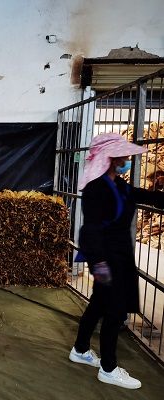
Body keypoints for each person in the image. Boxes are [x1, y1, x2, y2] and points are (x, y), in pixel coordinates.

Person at [69, 133, 164, 390]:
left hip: (119, 254)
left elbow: (143, 195)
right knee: (114, 310)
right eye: (123, 155)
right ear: (111, 158)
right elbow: (90, 229)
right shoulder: (96, 188)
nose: (127, 159)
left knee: (99, 304)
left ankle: (80, 349)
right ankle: (108, 369)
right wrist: (99, 264)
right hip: (105, 257)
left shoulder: (119, 185)